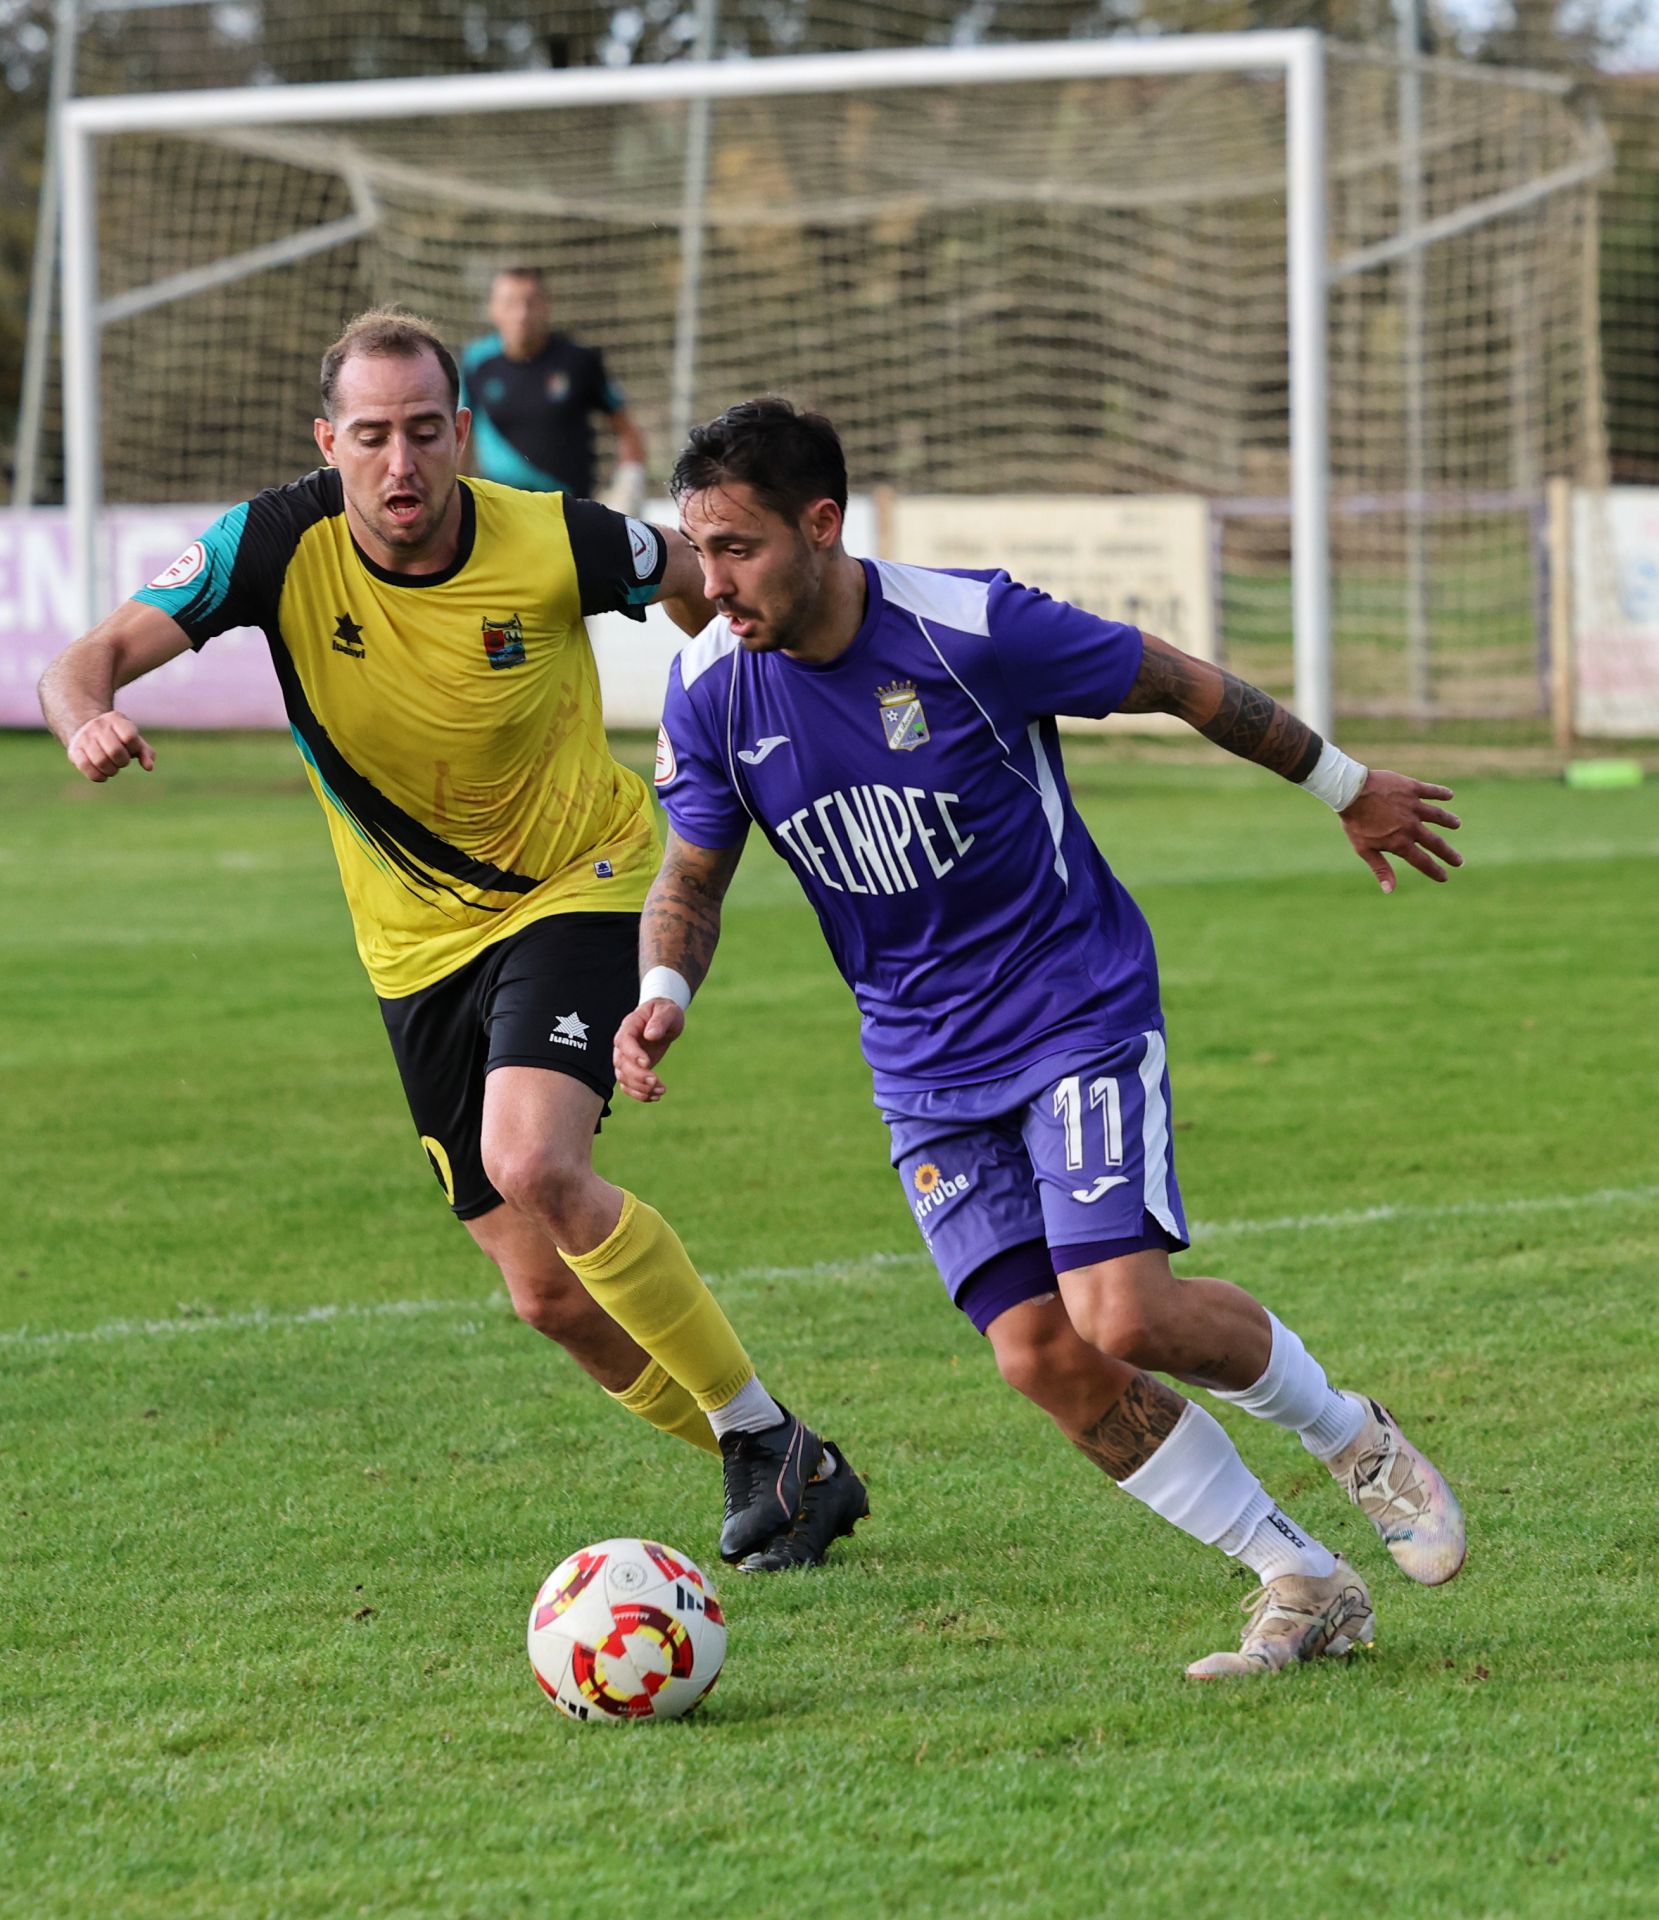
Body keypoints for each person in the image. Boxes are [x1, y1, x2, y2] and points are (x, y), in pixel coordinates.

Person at [616, 395, 1467, 1665]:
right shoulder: (709, 690)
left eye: (738, 547)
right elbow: (691, 875)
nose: (713, 580)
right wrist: (664, 995)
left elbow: (1178, 680)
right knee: (1041, 1355)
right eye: (698, 548)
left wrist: (1346, 787)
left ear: (822, 525)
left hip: (1071, 1005)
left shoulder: (972, 628)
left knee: (1120, 1314)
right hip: (921, 1064)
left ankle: (1351, 1434)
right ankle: (1298, 1575)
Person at [38, 325, 865, 1574]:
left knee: (529, 1154)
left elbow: (711, 575)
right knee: (548, 1301)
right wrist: (88, 717)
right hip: (411, 951)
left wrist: (729, 696)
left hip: (573, 885)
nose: (400, 460)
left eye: (425, 429)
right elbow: (82, 659)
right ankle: (783, 1459)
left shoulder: (554, 535)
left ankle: (760, 1442)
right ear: (331, 444)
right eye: (370, 434)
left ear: (460, 432)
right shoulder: (270, 547)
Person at [460, 267, 648, 514]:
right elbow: (460, 435)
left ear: (547, 305)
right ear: (492, 309)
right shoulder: (475, 363)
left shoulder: (579, 360)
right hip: (500, 514)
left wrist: (630, 480)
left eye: (530, 302)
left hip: (569, 514)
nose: (522, 313)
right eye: (510, 303)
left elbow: (625, 428)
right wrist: (457, 493)